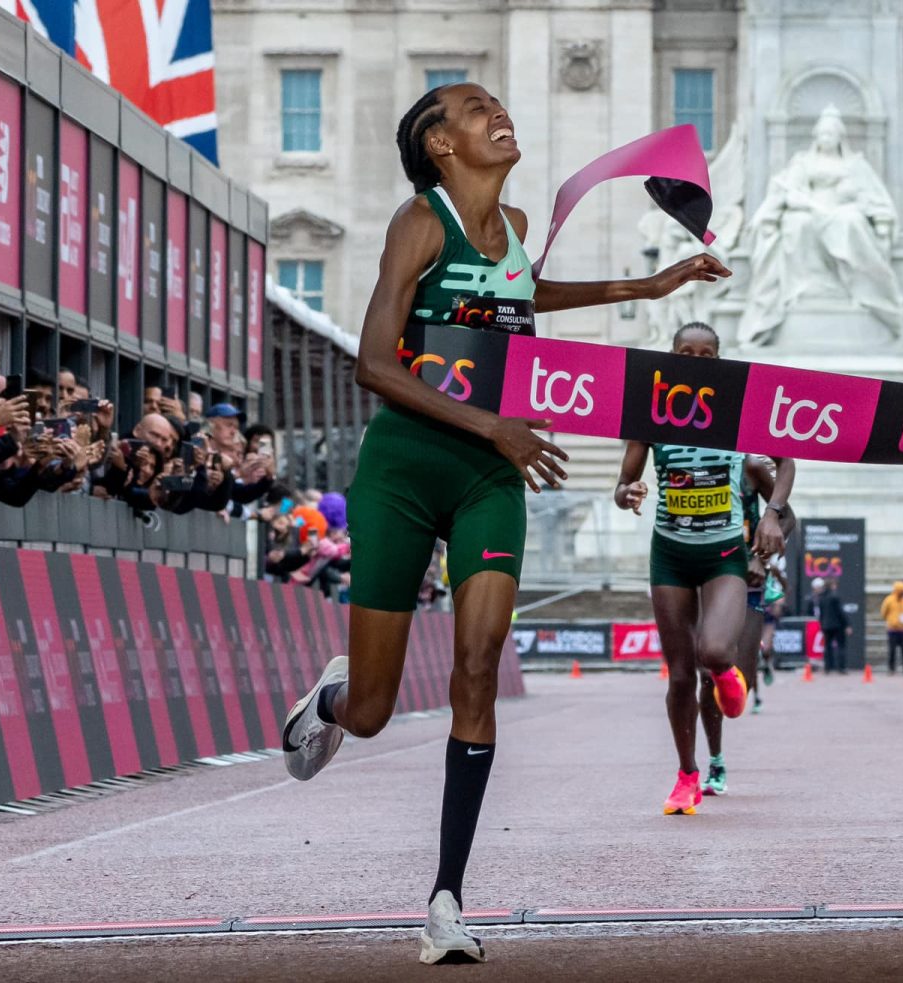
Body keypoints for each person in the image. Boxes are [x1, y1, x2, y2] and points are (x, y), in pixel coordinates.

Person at [277, 82, 729, 965]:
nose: (497, 112)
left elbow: (524, 295)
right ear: (439, 144)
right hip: (406, 468)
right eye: (474, 107)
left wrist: (648, 284)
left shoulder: (517, 224)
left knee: (477, 667)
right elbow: (374, 364)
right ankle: (330, 698)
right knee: (372, 711)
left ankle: (445, 899)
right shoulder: (421, 222)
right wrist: (495, 425)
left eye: (496, 102)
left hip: (489, 475)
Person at [612, 323, 793, 811]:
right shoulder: (652, 414)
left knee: (713, 652)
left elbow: (785, 462)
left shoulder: (738, 411)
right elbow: (622, 484)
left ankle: (728, 677)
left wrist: (772, 515)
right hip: (669, 554)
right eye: (685, 353)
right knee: (678, 675)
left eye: (705, 355)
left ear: (718, 360)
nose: (694, 361)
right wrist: (628, 492)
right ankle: (688, 775)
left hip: (722, 556)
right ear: (671, 357)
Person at [810, 578, 850, 674]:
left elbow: (821, 614)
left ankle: (828, 668)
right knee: (840, 646)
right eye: (834, 585)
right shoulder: (835, 596)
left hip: (826, 626)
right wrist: (847, 624)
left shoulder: (821, 598)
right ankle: (841, 668)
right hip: (837, 625)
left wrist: (822, 624)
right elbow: (840, 612)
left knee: (827, 647)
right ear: (832, 586)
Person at [880, 580, 903, 673]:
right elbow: (883, 612)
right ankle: (891, 668)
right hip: (892, 629)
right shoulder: (889, 600)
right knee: (892, 650)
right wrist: (891, 621)